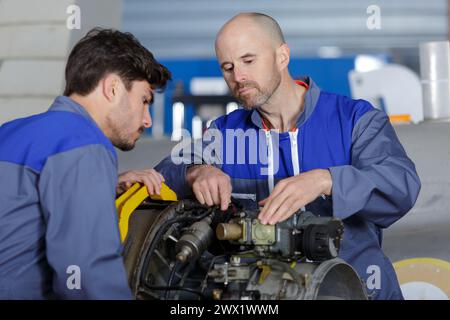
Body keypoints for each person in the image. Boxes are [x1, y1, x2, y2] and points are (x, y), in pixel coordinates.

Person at [152, 13, 421, 300]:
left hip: (358, 291)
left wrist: (326, 180)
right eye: (227, 67)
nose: (238, 77)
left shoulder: (354, 119)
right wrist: (195, 171)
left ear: (282, 56)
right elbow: (165, 174)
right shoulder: (224, 133)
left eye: (248, 60)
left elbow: (401, 185)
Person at [0, 28, 170, 299]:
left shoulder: (10, 132)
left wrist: (102, 188)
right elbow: (86, 275)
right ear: (113, 88)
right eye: (144, 100)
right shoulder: (84, 144)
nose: (147, 120)